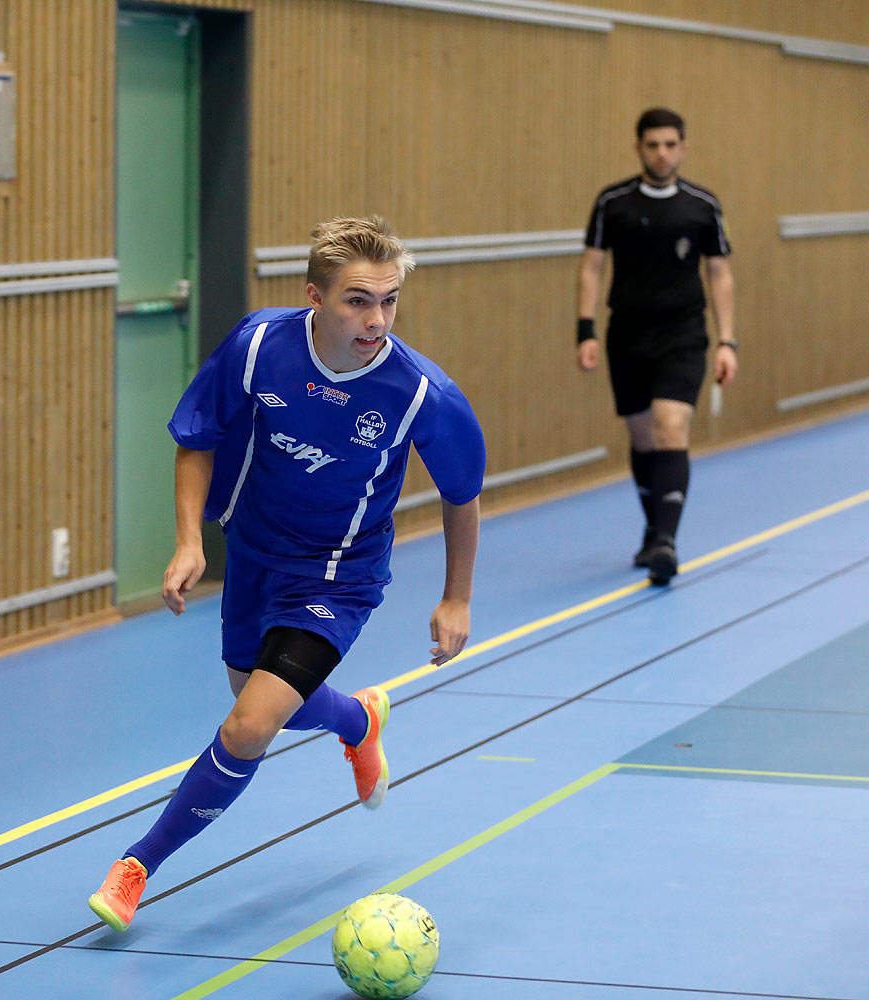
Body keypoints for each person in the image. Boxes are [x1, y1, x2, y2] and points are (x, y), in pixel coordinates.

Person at [88, 216, 486, 931]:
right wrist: (189, 542)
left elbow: (462, 493)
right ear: (314, 297)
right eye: (358, 301)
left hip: (338, 576)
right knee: (264, 697)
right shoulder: (258, 348)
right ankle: (358, 718)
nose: (377, 319)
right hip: (254, 555)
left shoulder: (421, 392)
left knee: (248, 725)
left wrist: (456, 596)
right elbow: (197, 439)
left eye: (389, 300)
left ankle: (137, 865)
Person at [576, 107, 737, 585]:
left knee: (672, 425)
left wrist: (728, 340)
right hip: (627, 333)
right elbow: (591, 267)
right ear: (639, 148)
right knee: (643, 435)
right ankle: (653, 530)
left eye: (671, 144)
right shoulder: (613, 203)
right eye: (653, 145)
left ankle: (666, 542)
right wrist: (585, 330)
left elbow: (720, 273)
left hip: (683, 334)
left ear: (683, 148)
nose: (662, 153)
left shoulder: (702, 205)